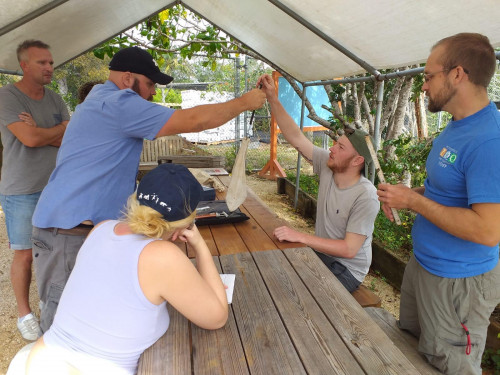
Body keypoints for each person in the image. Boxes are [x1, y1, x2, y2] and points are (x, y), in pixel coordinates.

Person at [31, 46, 265, 333]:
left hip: (80, 230)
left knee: (88, 315)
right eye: (151, 84)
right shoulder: (119, 103)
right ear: (128, 79)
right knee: (61, 322)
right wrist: (244, 102)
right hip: (68, 233)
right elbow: (193, 121)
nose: (153, 93)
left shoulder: (101, 100)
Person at [16, 164, 227, 374]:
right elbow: (216, 318)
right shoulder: (163, 256)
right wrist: (200, 246)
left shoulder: (102, 228)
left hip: (42, 358)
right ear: (186, 221)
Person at [377, 33, 500, 374]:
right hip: (426, 266)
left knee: (450, 365)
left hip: (459, 282)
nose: (425, 87)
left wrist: (414, 204)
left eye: (429, 76)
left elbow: (488, 230)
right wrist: (407, 196)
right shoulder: (458, 126)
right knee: (414, 353)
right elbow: (443, 191)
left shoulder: (490, 141)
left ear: (458, 74)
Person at [257, 74, 379, 293]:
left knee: (291, 292)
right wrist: (272, 98)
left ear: (358, 160)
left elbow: (350, 249)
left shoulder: (366, 195)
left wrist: (300, 236)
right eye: (335, 144)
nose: (332, 148)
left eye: (340, 147)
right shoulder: (328, 164)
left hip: (346, 270)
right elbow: (295, 136)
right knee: (271, 272)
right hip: (322, 256)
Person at [0, 39, 69, 341]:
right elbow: (29, 139)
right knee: (25, 255)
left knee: (56, 250)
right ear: (24, 65)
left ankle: (48, 302)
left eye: (51, 62)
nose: (49, 68)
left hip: (55, 186)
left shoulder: (54, 99)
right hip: (22, 189)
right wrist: (50, 133)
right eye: (42, 63)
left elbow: (71, 137)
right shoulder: (7, 98)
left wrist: (42, 132)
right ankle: (24, 314)